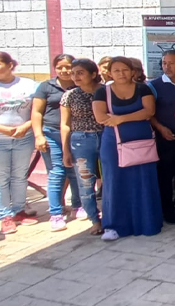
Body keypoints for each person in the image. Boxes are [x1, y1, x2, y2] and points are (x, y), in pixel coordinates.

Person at [92, 56, 163, 241]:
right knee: (114, 181)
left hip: (141, 141)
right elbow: (101, 117)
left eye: (125, 69)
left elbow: (149, 111)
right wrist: (133, 116)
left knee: (143, 180)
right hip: (114, 143)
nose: (121, 73)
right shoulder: (102, 92)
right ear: (109, 73)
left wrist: (121, 118)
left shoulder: (143, 88)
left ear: (132, 71)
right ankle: (113, 226)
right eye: (116, 70)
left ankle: (147, 223)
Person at [0, 52, 38, 234]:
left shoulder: (29, 85)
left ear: (10, 65)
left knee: (19, 175)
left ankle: (19, 211)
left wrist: (26, 126)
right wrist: (2, 130)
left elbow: (38, 110)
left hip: (24, 139)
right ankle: (5, 216)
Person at [32, 54, 83, 231]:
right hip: (51, 134)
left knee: (75, 171)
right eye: (60, 67)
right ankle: (56, 213)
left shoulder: (79, 84)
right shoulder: (46, 86)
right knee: (57, 172)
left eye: (68, 67)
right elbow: (37, 112)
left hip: (75, 134)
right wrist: (38, 135)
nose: (64, 70)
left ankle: (77, 205)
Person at [60, 59, 104, 235]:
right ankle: (94, 219)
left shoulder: (105, 91)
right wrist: (66, 150)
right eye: (73, 73)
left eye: (80, 73)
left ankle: (111, 215)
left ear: (93, 74)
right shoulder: (70, 95)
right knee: (86, 181)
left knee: (110, 179)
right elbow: (65, 124)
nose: (75, 76)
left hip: (106, 136)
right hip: (81, 140)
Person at [149, 50, 175, 223]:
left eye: (171, 63)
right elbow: (149, 112)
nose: (166, 66)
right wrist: (160, 128)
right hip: (166, 135)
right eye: (164, 63)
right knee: (165, 174)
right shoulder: (154, 85)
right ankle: (167, 209)